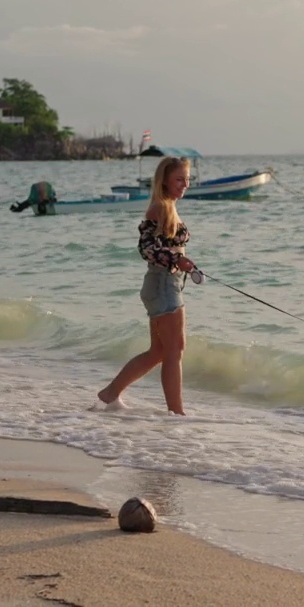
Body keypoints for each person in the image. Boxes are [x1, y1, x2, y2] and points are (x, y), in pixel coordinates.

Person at [96, 156, 196, 415]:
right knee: (174, 350)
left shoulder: (168, 206)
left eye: (187, 179)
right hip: (163, 285)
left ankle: (110, 393)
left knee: (160, 351)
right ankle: (177, 413)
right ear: (164, 180)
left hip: (163, 284)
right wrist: (177, 259)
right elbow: (147, 248)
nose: (184, 184)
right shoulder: (160, 208)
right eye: (179, 179)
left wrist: (180, 261)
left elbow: (162, 247)